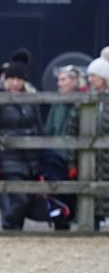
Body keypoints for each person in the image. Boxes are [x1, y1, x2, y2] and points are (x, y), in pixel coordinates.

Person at [0, 49, 43, 230]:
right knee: (20, 200)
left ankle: (15, 236)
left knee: (25, 201)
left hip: (30, 159)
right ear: (5, 79)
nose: (15, 83)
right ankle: (7, 227)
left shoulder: (31, 99)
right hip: (7, 158)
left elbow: (39, 128)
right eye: (12, 79)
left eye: (19, 79)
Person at [39, 64, 85, 229]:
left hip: (76, 157)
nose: (59, 83)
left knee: (76, 195)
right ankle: (60, 223)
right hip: (56, 157)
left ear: (74, 82)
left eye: (63, 79)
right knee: (58, 193)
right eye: (59, 80)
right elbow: (49, 129)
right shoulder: (56, 103)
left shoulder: (83, 102)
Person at [68, 46, 109, 229]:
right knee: (89, 201)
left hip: (105, 160)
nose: (90, 79)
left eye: (94, 76)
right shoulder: (84, 102)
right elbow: (73, 131)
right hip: (89, 163)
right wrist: (72, 163)